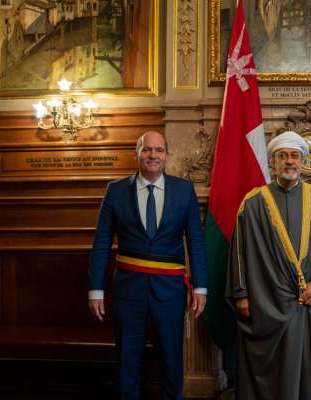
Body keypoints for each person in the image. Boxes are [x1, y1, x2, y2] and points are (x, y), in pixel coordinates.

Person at [88, 130, 208, 400]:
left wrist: (200, 287)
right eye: (147, 149)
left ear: (167, 156)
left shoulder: (184, 189)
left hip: (171, 290)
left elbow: (196, 241)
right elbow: (102, 242)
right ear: (137, 154)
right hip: (128, 291)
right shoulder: (116, 190)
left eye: (159, 150)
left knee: (171, 357)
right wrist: (95, 290)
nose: (153, 155)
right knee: (128, 359)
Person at [226, 131, 311, 400]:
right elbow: (239, 252)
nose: (289, 161)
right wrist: (241, 292)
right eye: (282, 156)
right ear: (273, 162)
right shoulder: (253, 202)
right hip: (266, 299)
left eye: (294, 156)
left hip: (308, 300)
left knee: (307, 366)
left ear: (303, 161)